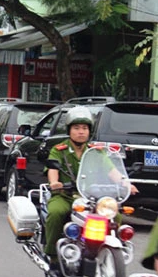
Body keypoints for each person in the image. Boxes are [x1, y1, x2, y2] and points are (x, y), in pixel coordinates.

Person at [44, 106, 138, 273]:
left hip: (91, 197)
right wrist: (54, 183)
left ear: (89, 131)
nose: (81, 132)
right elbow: (52, 170)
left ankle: (109, 249)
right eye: (77, 128)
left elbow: (112, 171)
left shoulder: (96, 152)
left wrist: (126, 184)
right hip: (64, 195)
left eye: (85, 128)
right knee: (56, 212)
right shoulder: (59, 150)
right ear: (69, 130)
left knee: (114, 214)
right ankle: (52, 256)